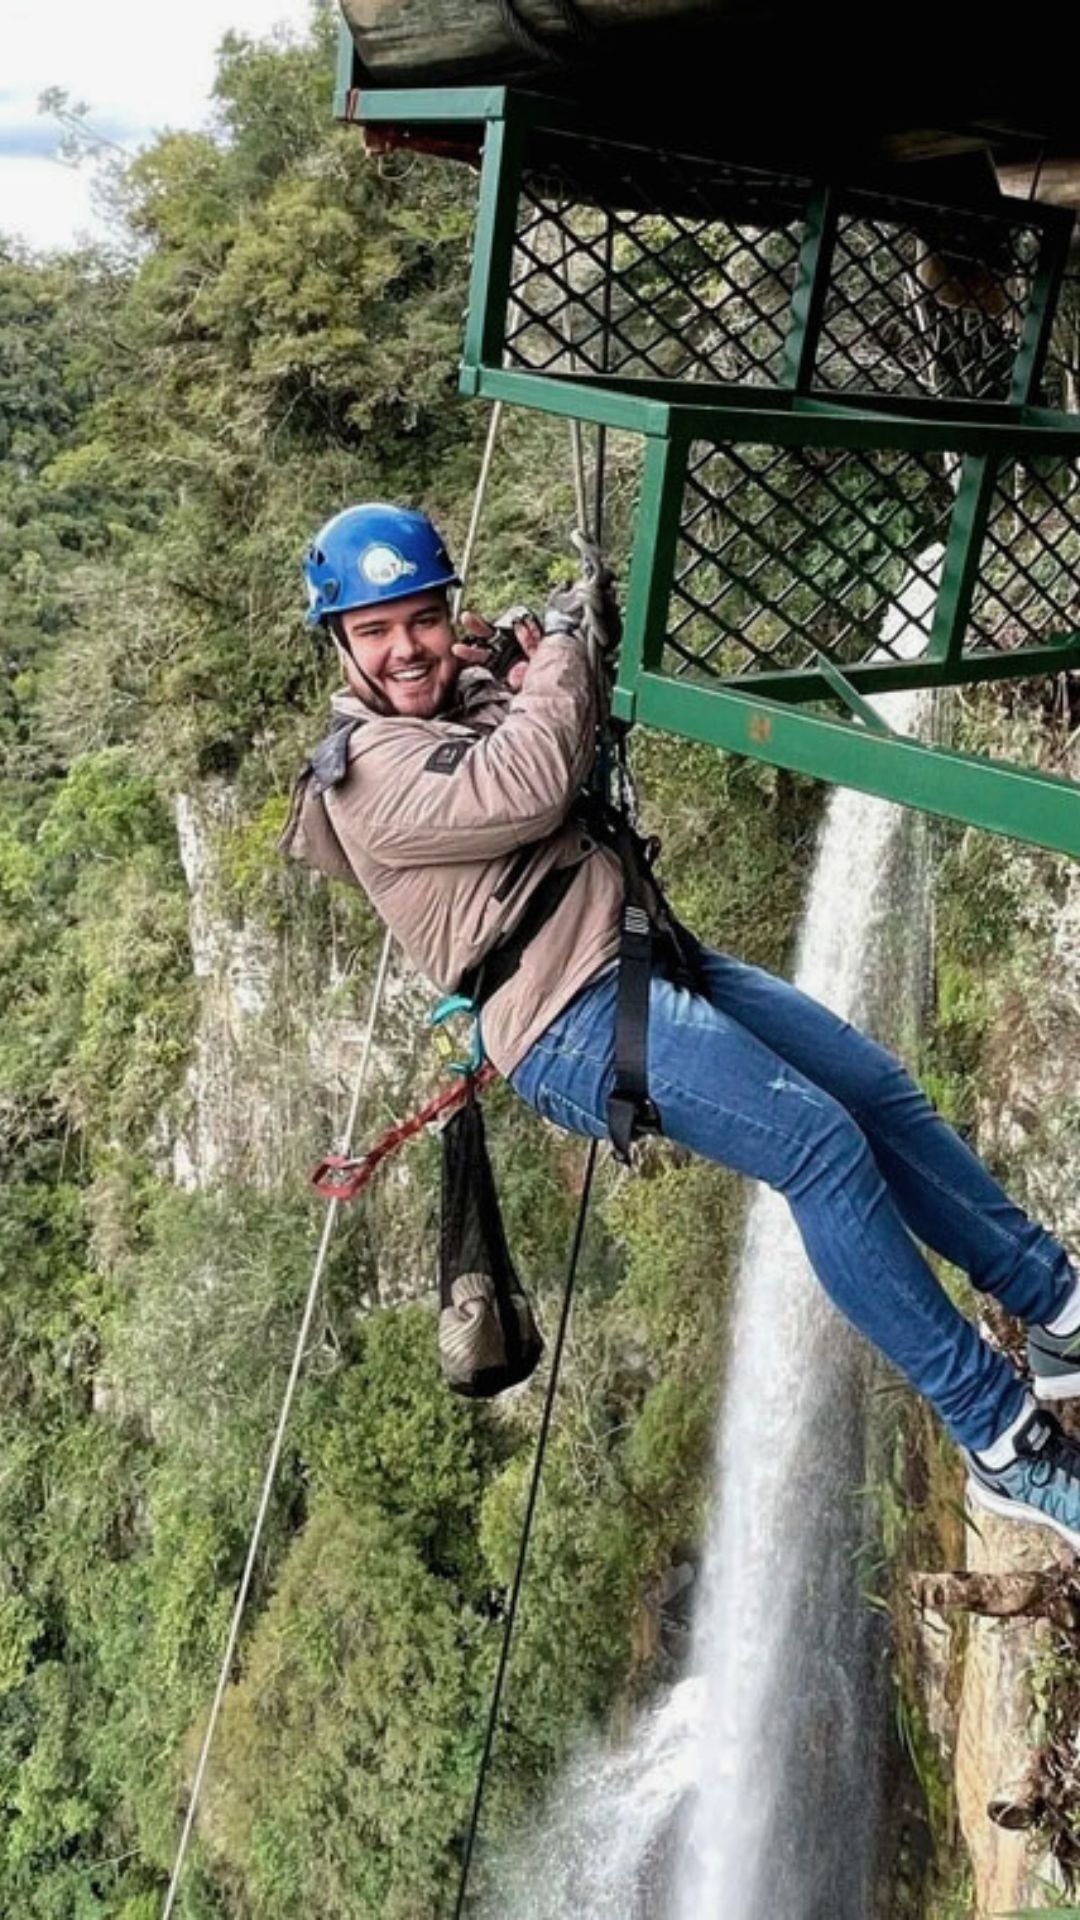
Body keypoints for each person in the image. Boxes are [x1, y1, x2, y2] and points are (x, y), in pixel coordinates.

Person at [282, 500, 1080, 1554]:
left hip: (645, 959)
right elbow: (525, 781)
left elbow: (526, 709)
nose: (406, 649)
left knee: (873, 1094)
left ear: (446, 611)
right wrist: (563, 649)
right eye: (376, 630)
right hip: (567, 1021)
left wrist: (537, 652)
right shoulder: (365, 773)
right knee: (821, 1149)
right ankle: (1000, 1441)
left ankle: (1056, 1306)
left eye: (421, 619)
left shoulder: (457, 692)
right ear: (340, 643)